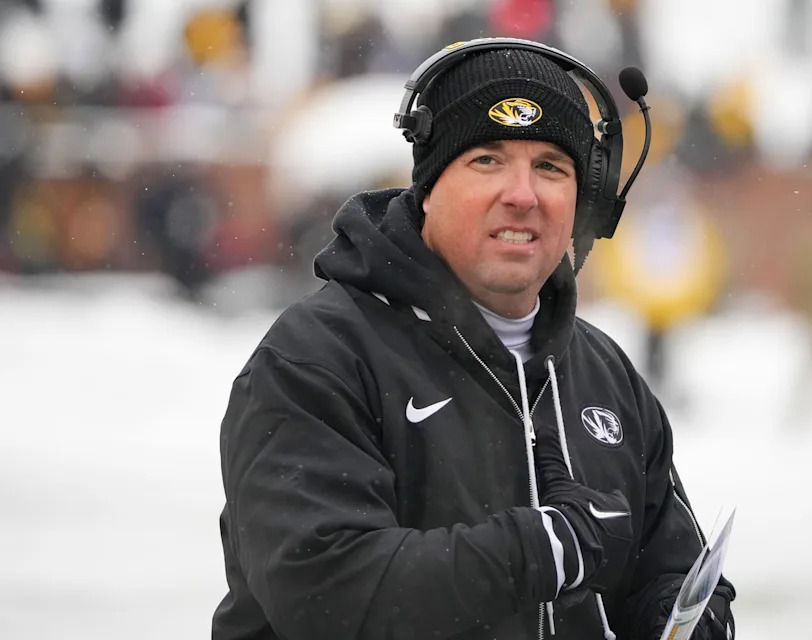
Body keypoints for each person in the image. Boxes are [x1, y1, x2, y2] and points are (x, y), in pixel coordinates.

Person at [212, 39, 736, 640]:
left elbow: (670, 567)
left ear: (583, 203)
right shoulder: (315, 358)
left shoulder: (604, 372)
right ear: (428, 187)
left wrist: (683, 615)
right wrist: (534, 552)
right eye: (487, 159)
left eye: (550, 167)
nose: (522, 193)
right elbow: (324, 594)